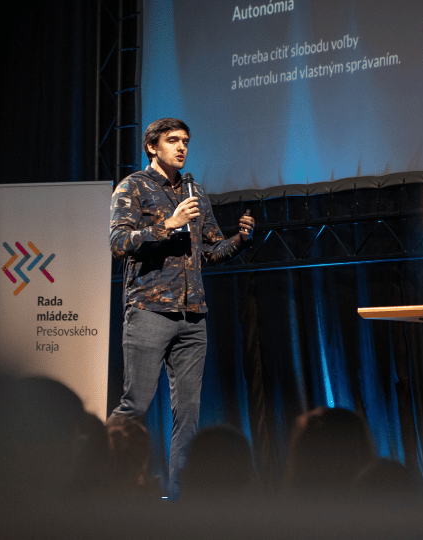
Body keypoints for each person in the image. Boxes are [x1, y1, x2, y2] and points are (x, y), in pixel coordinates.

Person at [108, 118, 255, 498]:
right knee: (135, 406)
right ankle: (107, 487)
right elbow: (119, 242)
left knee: (188, 416)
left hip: (193, 316)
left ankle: (180, 498)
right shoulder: (133, 186)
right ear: (152, 147)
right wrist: (170, 225)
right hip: (149, 310)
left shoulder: (195, 192)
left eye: (185, 141)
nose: (181, 147)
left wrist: (240, 240)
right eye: (172, 140)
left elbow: (210, 250)